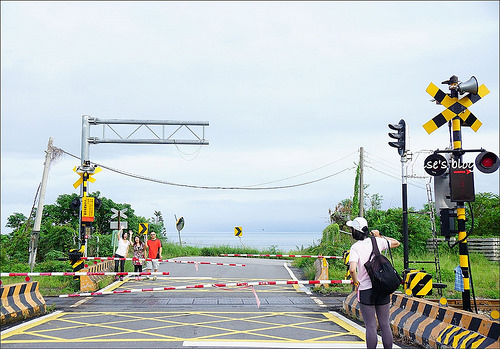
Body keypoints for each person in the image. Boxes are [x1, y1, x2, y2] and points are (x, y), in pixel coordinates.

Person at [347, 217, 400, 349]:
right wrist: (380, 235)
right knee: (384, 324)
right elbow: (396, 243)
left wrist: (355, 281)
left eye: (352, 229)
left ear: (356, 231)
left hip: (365, 290)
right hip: (381, 287)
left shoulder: (355, 247)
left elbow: (352, 269)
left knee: (370, 325)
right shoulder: (377, 241)